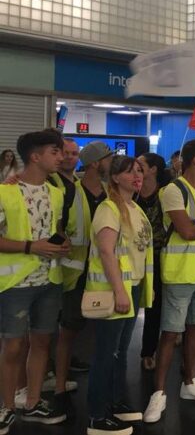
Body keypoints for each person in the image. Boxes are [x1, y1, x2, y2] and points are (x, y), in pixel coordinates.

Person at [143, 140, 195, 423]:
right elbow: (185, 231)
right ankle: (158, 393)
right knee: (169, 333)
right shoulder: (172, 190)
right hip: (180, 272)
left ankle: (190, 382)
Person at [0, 129, 69, 433]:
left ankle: (33, 401)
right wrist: (31, 247)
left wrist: (60, 243)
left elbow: (55, 228)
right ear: (35, 156)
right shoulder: (5, 191)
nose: (61, 157)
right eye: (55, 152)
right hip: (16, 282)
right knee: (13, 347)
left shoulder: (57, 191)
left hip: (50, 278)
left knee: (42, 342)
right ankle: (6, 407)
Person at [86, 156, 154, 435]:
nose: (136, 176)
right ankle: (96, 415)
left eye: (138, 170)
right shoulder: (108, 208)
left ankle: (115, 403)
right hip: (114, 290)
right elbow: (106, 251)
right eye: (128, 172)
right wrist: (118, 290)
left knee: (119, 352)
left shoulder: (134, 207)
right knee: (106, 353)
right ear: (114, 178)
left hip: (133, 286)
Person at [54, 140, 113, 401]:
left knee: (104, 334)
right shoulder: (69, 193)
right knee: (68, 331)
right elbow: (55, 226)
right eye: (109, 158)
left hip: (104, 277)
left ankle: (103, 384)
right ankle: (58, 385)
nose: (112, 163)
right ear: (95, 163)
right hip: (76, 276)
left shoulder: (112, 194)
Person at [136, 153, 172, 371]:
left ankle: (149, 349)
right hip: (135, 256)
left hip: (160, 255)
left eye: (141, 165)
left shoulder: (166, 194)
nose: (136, 168)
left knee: (155, 304)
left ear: (154, 169)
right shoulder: (132, 193)